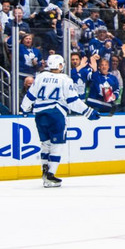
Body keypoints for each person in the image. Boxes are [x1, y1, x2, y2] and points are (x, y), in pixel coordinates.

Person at [20, 53, 99, 187]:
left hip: (40, 115)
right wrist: (88, 112)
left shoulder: (40, 77)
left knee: (45, 143)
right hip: (56, 114)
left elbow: (30, 96)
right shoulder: (65, 79)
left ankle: (45, 169)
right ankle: (50, 174)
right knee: (57, 144)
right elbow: (72, 101)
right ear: (60, 65)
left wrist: (24, 109)